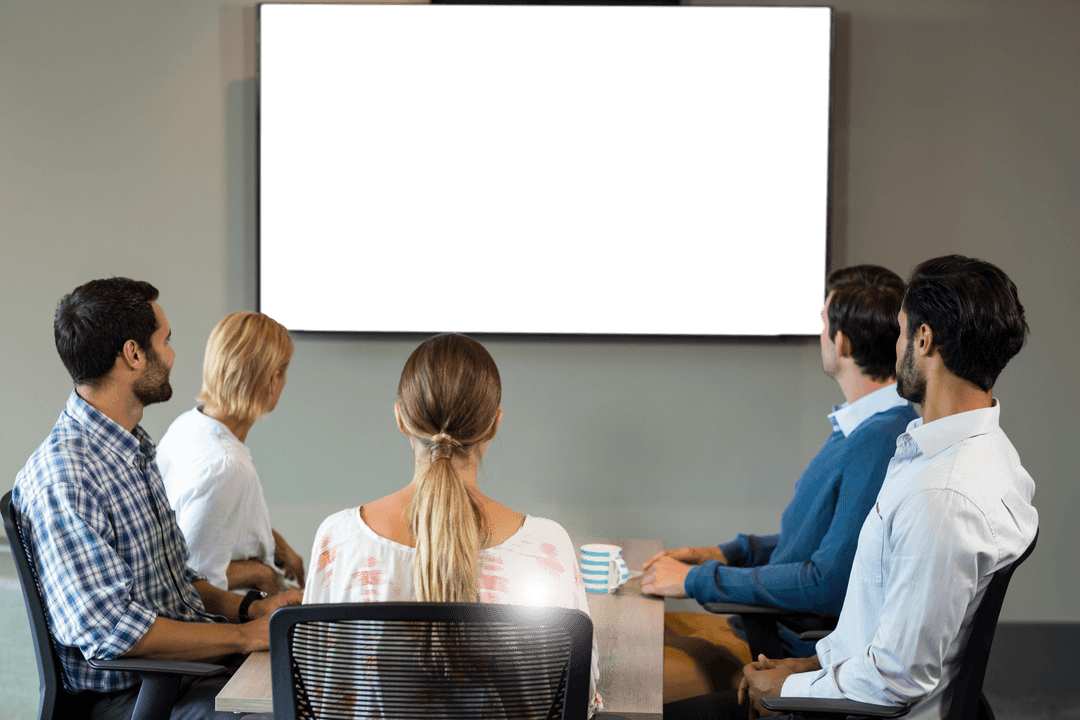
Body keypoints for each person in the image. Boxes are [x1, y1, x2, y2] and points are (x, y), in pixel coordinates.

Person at [665, 255, 1038, 720]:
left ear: (923, 340)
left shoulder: (941, 497)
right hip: (844, 682)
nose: (894, 343)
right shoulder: (981, 455)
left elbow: (896, 678)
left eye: (901, 331)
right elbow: (875, 617)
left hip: (857, 710)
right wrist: (808, 664)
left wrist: (796, 684)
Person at [12, 278, 302, 720]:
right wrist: (244, 637)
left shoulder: (131, 449)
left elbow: (175, 584)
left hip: (180, 674)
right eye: (165, 341)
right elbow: (115, 631)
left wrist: (250, 608)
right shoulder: (66, 477)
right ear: (133, 354)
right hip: (137, 698)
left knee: (315, 684)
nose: (171, 354)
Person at [642, 265, 919, 702]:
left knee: (629, 674)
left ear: (841, 340)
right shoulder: (865, 426)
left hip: (784, 648)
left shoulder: (879, 440)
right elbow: (822, 538)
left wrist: (697, 580)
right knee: (641, 637)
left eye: (823, 323)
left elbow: (826, 581)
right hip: (768, 622)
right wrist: (728, 553)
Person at [304, 332, 603, 717]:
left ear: (400, 419)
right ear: (494, 425)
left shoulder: (340, 540)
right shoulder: (545, 548)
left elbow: (317, 691)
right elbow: (579, 694)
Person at [158, 311, 305, 598]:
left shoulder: (188, 425)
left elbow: (208, 519)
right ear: (273, 379)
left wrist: (275, 544)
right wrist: (262, 575)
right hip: (228, 626)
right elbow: (191, 580)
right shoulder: (227, 466)